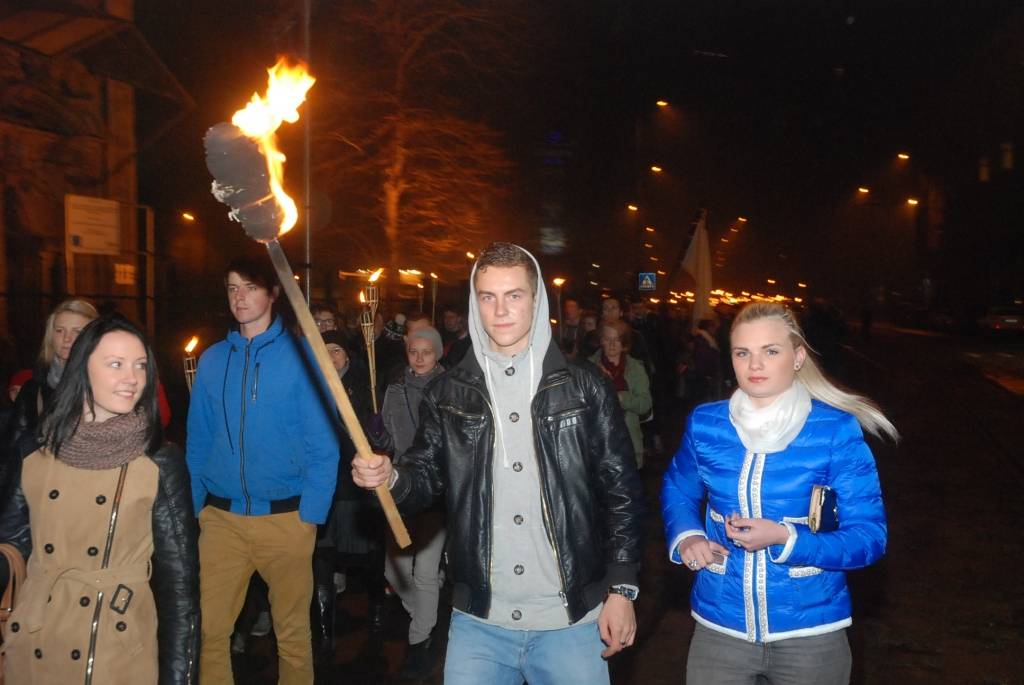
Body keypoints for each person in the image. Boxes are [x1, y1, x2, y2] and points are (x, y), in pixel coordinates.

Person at [353, 242, 645, 685]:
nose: (501, 310)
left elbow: (621, 489)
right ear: (475, 303)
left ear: (536, 300)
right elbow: (423, 477)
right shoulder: (448, 393)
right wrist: (389, 477)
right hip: (480, 623)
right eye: (488, 296)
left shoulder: (585, 387)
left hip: (570, 618)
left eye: (514, 295)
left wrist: (621, 587)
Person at [661, 302, 898, 685]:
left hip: (811, 632)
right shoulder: (706, 424)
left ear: (798, 356)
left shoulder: (835, 430)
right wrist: (687, 536)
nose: (755, 365)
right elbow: (678, 486)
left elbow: (869, 538)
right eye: (742, 353)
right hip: (721, 626)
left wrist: (787, 539)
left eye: (770, 351)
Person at [0, 314, 198, 684]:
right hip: (37, 637)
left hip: (115, 644)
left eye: (140, 365)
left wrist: (179, 677)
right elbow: (10, 544)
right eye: (116, 364)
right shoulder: (35, 450)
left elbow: (179, 588)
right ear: (82, 369)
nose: (133, 378)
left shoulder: (158, 461)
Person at [186, 257, 340, 685]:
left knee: (292, 634)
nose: (240, 297)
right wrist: (196, 507)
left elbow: (323, 443)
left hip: (286, 519)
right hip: (221, 521)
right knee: (209, 631)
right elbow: (198, 440)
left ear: (272, 293)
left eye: (250, 287)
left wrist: (311, 515)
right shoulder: (212, 360)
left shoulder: (303, 358)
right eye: (232, 288)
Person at [378, 326, 447, 679]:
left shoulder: (449, 388)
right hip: (400, 486)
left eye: (426, 352)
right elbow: (387, 436)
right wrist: (378, 436)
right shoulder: (395, 388)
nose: (419, 358)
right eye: (413, 351)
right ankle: (424, 613)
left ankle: (420, 640)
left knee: (424, 572)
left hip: (435, 488)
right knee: (395, 571)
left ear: (438, 354)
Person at [590, 320, 652, 469]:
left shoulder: (635, 368)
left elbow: (645, 404)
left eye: (617, 339)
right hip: (598, 445)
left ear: (624, 343)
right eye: (607, 339)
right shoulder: (589, 367)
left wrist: (621, 397)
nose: (612, 344)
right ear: (601, 341)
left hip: (628, 443)